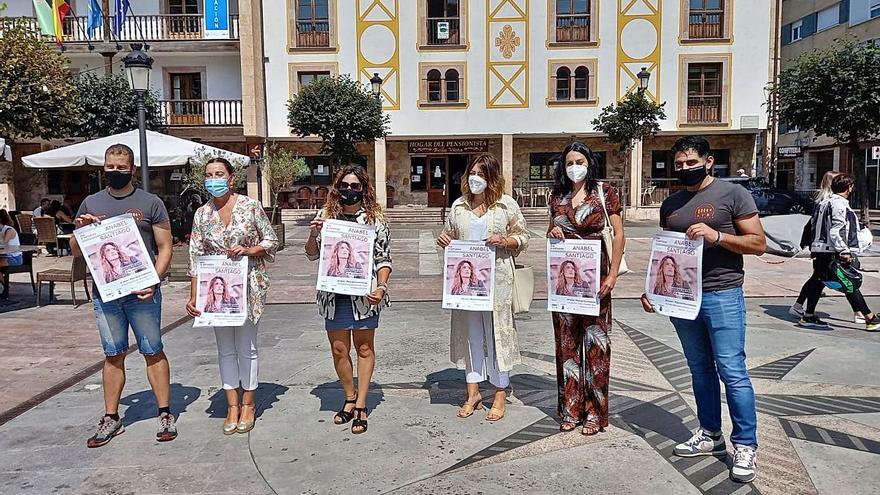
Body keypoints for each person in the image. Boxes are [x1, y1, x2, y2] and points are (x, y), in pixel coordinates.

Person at [640, 136, 765, 483]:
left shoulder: (733, 194)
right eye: (678, 164)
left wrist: (718, 237)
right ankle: (710, 433)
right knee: (699, 369)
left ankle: (745, 444)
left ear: (708, 161)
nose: (684, 169)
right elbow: (667, 251)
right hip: (681, 298)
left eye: (691, 162)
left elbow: (758, 243)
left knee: (732, 370)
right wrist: (654, 290)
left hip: (722, 294)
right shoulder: (672, 204)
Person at [71, 144, 175, 448]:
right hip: (107, 294)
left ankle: (165, 412)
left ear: (132, 168)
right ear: (104, 168)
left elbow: (165, 247)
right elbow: (78, 253)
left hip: (143, 292)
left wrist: (154, 281)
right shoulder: (90, 203)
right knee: (113, 352)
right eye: (110, 167)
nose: (115, 172)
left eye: (121, 167)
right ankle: (111, 416)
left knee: (152, 349)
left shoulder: (150, 202)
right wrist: (80, 230)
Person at [187, 157, 279, 435]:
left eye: (219, 174)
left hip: (247, 284)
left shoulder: (250, 207)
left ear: (231, 178)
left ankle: (248, 403)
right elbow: (195, 255)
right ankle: (231, 405)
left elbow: (271, 240)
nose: (213, 179)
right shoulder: (202, 214)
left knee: (247, 347)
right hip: (215, 289)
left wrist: (250, 250)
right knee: (224, 348)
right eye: (208, 175)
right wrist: (195, 297)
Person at [436, 153, 530, 422]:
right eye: (472, 173)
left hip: (497, 282)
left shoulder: (506, 206)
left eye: (482, 173)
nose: (476, 178)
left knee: (497, 336)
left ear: (492, 177)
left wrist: (505, 240)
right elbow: (450, 236)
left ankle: (500, 391)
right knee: (471, 335)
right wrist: (444, 240)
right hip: (466, 288)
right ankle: (473, 391)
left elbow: (523, 237)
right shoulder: (458, 207)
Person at [305, 165, 391, 435]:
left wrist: (382, 287)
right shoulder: (326, 216)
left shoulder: (375, 220)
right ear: (336, 187)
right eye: (345, 185)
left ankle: (362, 404)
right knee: (339, 349)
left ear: (363, 188)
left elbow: (383, 258)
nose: (349, 190)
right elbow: (311, 254)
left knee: (364, 348)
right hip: (334, 295)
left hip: (364, 296)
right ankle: (349, 397)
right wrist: (313, 234)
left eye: (355, 186)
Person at [547, 142, 625, 435]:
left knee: (596, 347)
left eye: (580, 161)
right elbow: (551, 230)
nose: (574, 167)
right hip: (564, 283)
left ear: (590, 163)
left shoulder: (604, 193)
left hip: (596, 279)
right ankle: (570, 409)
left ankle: (594, 412)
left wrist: (613, 274)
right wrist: (552, 231)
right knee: (566, 347)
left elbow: (619, 234)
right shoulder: (556, 195)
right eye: (569, 162)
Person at [797, 173, 880, 331]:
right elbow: (837, 230)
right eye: (852, 186)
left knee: (818, 281)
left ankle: (808, 315)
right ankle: (870, 318)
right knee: (850, 283)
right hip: (832, 251)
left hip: (820, 249)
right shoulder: (840, 205)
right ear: (849, 188)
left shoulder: (824, 203)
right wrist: (844, 251)